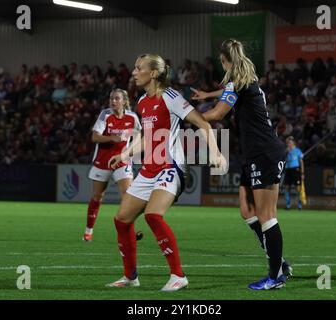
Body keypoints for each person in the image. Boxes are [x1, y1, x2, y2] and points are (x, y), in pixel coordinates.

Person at [105, 54, 225, 292]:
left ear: (153, 74)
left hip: (171, 167)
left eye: (139, 68)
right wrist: (126, 154)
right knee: (121, 220)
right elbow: (146, 137)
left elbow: (203, 123)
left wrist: (216, 152)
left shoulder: (171, 97)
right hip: (149, 169)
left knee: (153, 216)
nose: (134, 72)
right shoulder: (141, 101)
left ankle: (178, 276)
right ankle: (130, 276)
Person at [191, 39, 292, 290]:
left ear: (224, 61)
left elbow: (217, 114)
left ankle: (275, 276)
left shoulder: (238, 81)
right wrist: (208, 95)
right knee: (247, 211)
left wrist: (187, 115)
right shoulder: (247, 80)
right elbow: (228, 92)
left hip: (264, 153)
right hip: (255, 154)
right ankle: (280, 264)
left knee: (267, 216)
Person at [83, 89, 142, 242]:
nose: (113, 101)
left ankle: (130, 231)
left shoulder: (132, 117)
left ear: (124, 101)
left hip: (122, 161)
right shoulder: (105, 115)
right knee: (97, 197)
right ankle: (89, 230)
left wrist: (130, 151)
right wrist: (112, 138)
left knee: (127, 196)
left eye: (116, 99)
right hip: (103, 162)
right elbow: (95, 137)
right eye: (111, 99)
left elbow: (139, 135)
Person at [283, 136, 305, 210]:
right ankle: (288, 205)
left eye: (290, 142)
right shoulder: (286, 151)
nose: (289, 143)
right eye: (288, 142)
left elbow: (301, 162)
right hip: (288, 170)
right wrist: (286, 151)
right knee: (286, 187)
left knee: (298, 188)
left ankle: (299, 205)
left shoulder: (297, 150)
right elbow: (282, 159)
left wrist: (302, 173)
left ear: (293, 142)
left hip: (296, 170)